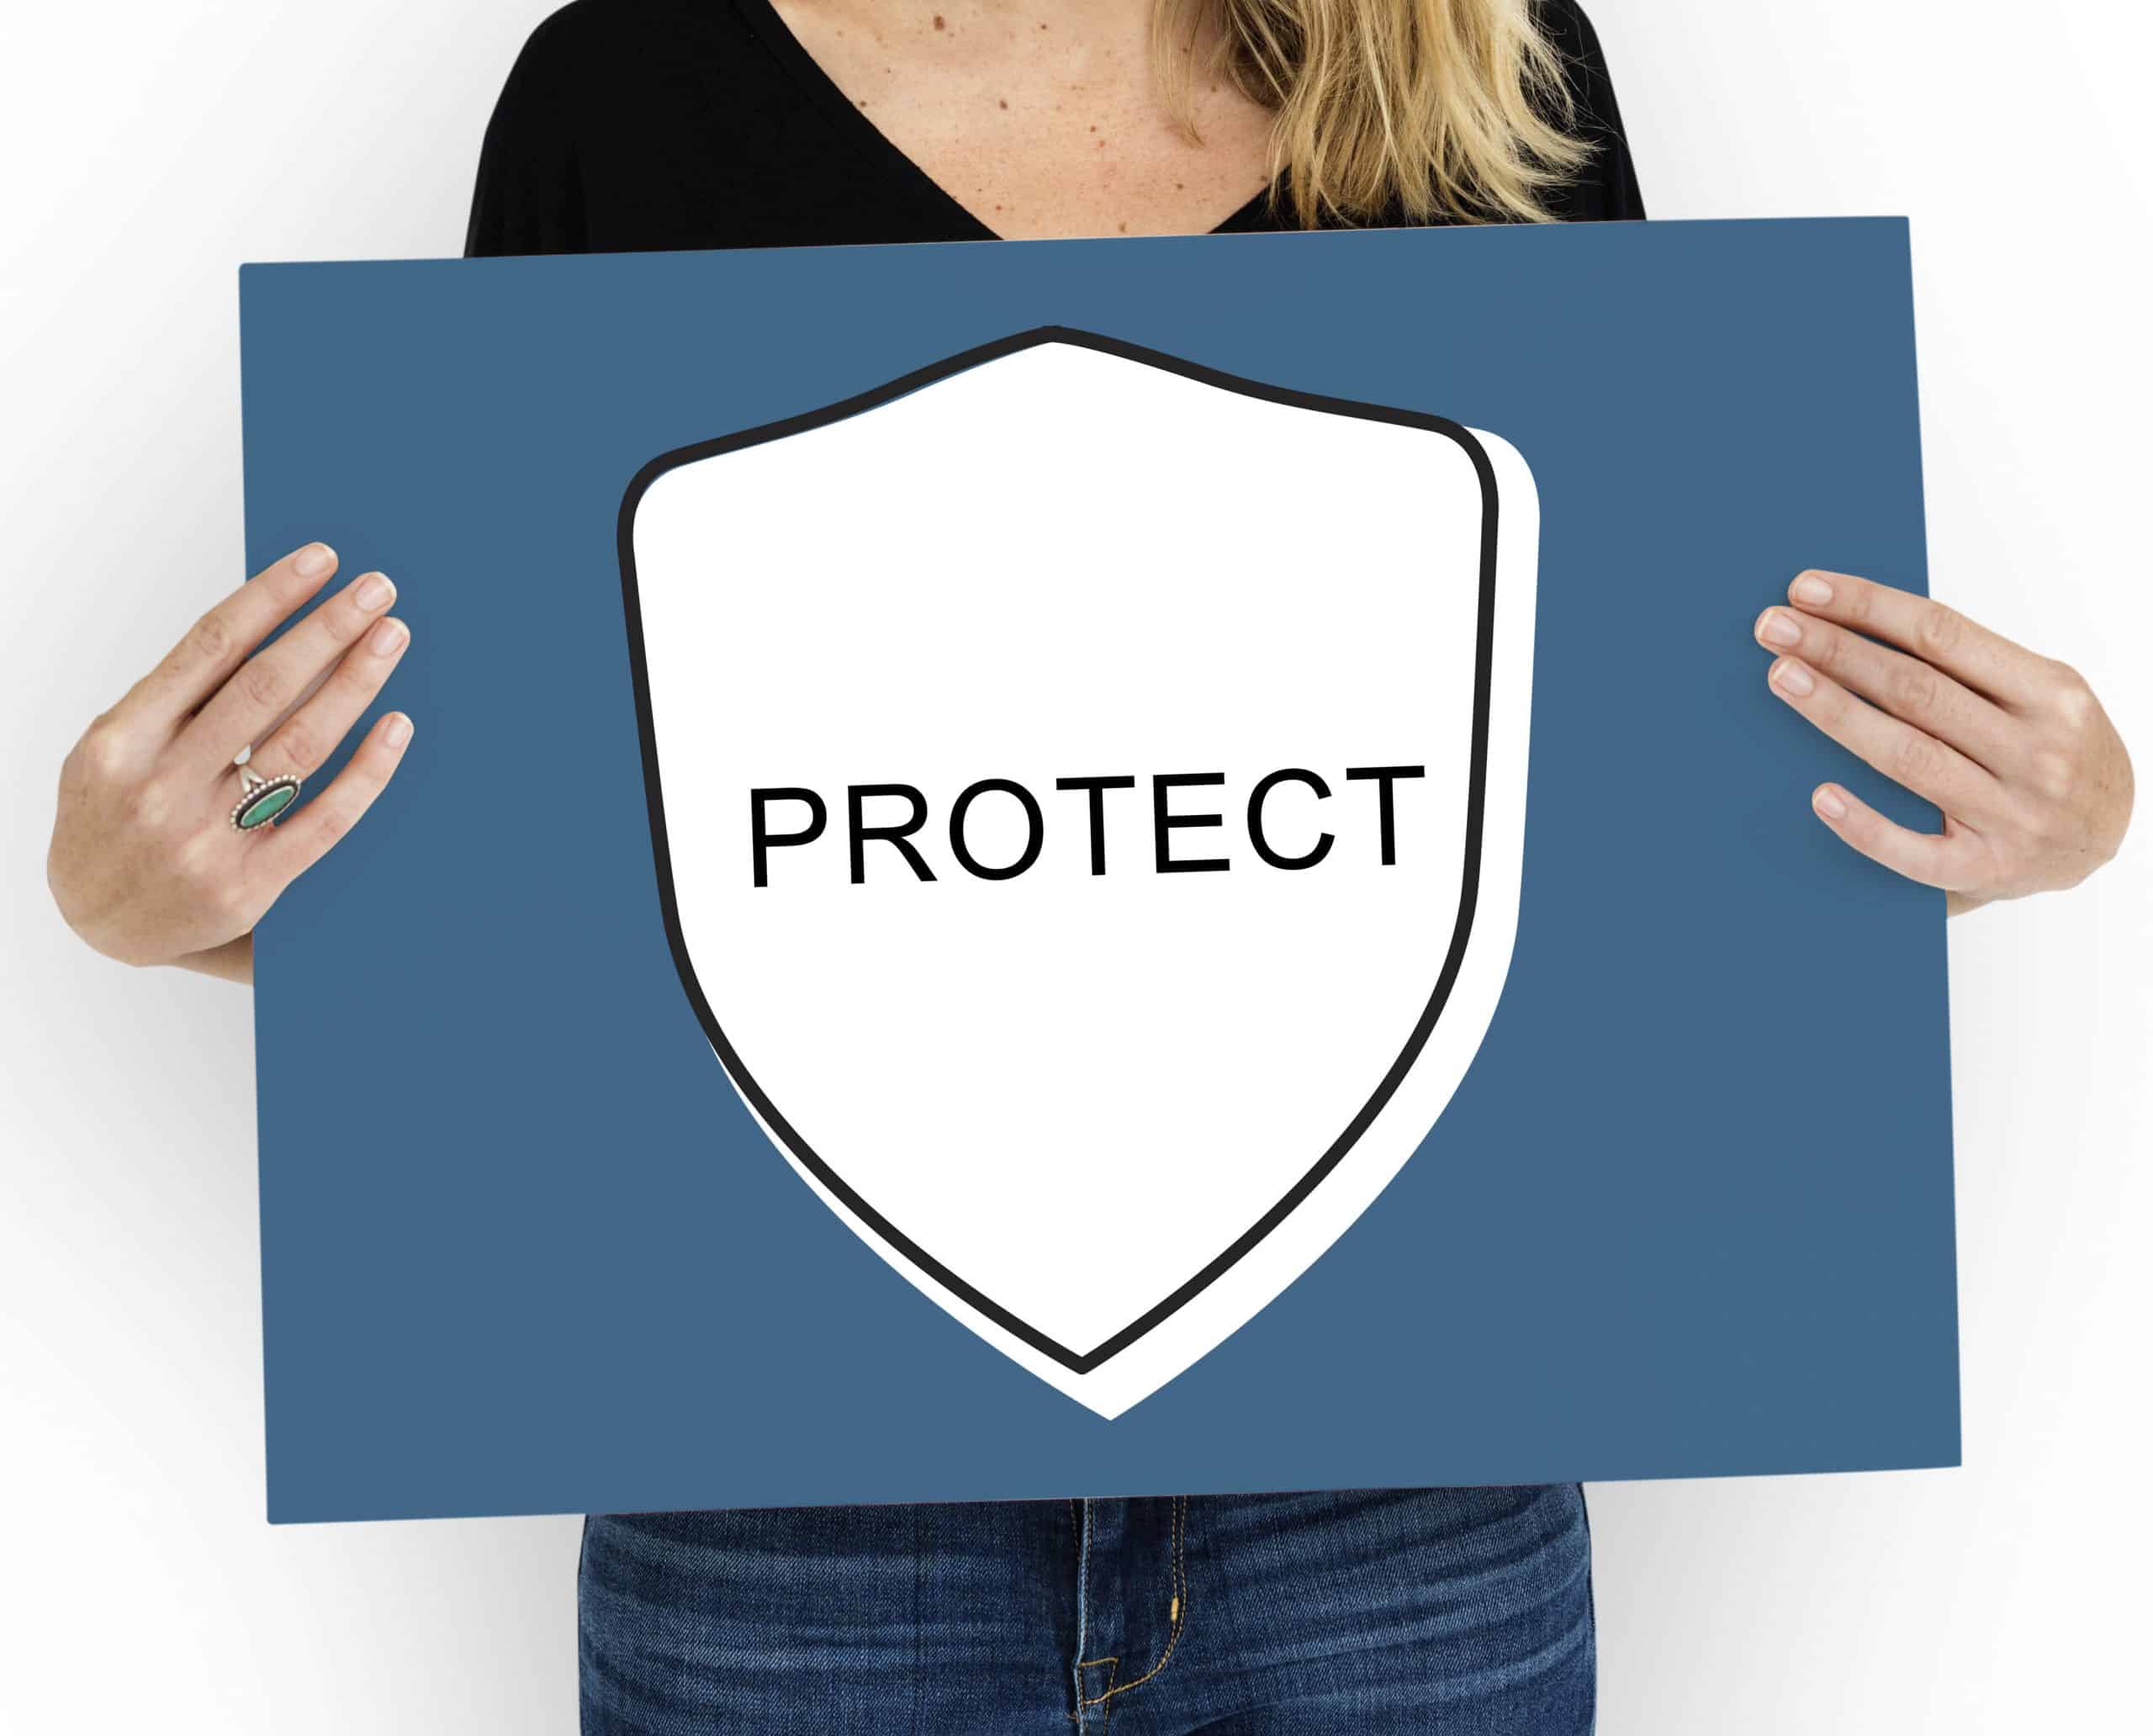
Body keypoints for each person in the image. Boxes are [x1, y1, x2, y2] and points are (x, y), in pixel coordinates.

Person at [45, 2, 2134, 1730]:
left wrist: (2020, 824)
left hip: (1403, 1492)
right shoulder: (621, 84)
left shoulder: (1484, 64)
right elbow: (541, 870)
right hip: (780, 1507)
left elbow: (1599, 833)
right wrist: (164, 903)